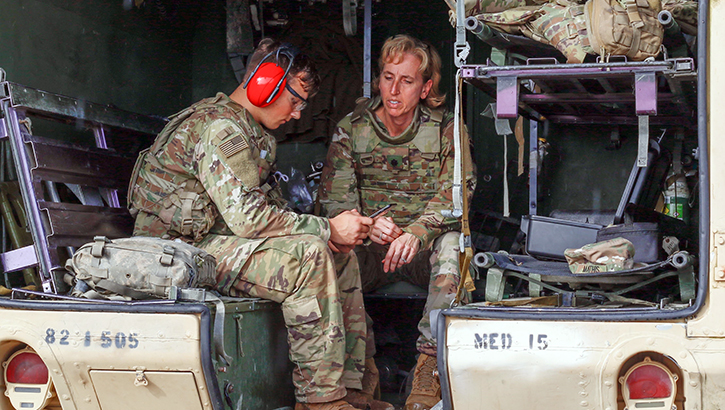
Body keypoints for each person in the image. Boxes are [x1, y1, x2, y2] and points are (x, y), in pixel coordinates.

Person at [128, 38, 381, 410]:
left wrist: (332, 235)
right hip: (176, 253)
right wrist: (327, 229)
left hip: (209, 242)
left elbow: (259, 214)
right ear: (265, 82)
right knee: (308, 256)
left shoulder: (247, 129)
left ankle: (350, 391)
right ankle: (321, 401)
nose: (297, 113)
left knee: (337, 254)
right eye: (295, 100)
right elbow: (248, 219)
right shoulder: (222, 129)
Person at [317, 34, 476, 410]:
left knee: (455, 248)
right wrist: (368, 227)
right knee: (329, 252)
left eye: (406, 81)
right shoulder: (351, 128)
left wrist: (418, 233)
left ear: (425, 88)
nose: (394, 89)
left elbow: (458, 196)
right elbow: (334, 203)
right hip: (370, 250)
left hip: (421, 252)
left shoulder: (446, 129)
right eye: (388, 77)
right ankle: (359, 376)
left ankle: (429, 368)